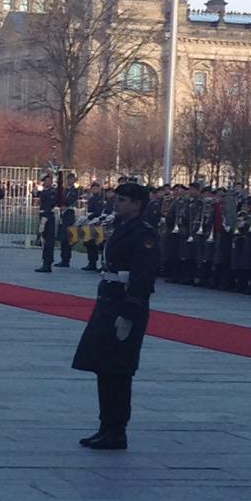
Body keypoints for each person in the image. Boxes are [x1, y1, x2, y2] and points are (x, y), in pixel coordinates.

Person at [72, 182, 158, 451]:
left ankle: (117, 429)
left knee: (119, 370)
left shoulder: (143, 233)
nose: (116, 203)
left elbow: (143, 278)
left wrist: (130, 312)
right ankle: (105, 425)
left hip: (124, 306)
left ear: (137, 204)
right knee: (103, 366)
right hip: (109, 302)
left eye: (123, 200)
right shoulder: (122, 227)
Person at [35, 174, 58, 273]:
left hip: (48, 217)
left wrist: (45, 216)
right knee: (44, 240)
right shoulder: (44, 191)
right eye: (45, 180)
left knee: (48, 240)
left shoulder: (52, 192)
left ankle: (47, 263)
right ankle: (45, 261)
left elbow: (50, 204)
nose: (46, 182)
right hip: (43, 215)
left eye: (48, 180)